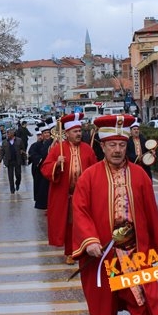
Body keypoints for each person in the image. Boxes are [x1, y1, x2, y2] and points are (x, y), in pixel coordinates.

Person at [72, 114, 158, 315]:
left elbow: (151, 214)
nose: (117, 150)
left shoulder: (139, 176)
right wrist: (89, 240)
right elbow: (80, 211)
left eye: (121, 145)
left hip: (134, 252)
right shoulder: (89, 177)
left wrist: (155, 248)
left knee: (143, 302)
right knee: (103, 308)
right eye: (111, 145)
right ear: (102, 147)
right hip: (102, 254)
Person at [42, 112, 98, 264]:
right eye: (75, 131)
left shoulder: (88, 149)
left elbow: (95, 169)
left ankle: (85, 247)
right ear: (67, 133)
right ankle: (70, 252)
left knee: (84, 223)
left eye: (80, 131)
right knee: (69, 224)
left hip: (84, 194)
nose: (79, 133)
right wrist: (56, 164)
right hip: (65, 194)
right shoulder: (58, 149)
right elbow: (45, 168)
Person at [28, 122, 54, 210]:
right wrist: (40, 160)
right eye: (45, 133)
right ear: (41, 135)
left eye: (48, 133)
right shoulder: (36, 145)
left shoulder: (52, 143)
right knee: (41, 188)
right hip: (40, 170)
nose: (47, 134)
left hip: (51, 169)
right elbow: (32, 154)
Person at [0, 128, 24, 194]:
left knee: (18, 174)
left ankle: (17, 183)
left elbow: (22, 149)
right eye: (7, 133)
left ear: (13, 133)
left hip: (17, 160)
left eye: (9, 133)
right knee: (10, 176)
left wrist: (24, 158)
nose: (7, 135)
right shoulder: (4, 142)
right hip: (9, 161)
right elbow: (1, 152)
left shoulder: (19, 140)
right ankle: (12, 189)